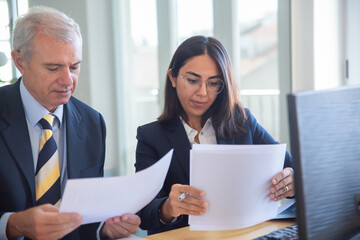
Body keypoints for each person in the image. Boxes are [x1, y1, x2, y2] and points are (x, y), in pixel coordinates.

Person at [0, 6, 140, 240]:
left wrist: (104, 229)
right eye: (53, 68)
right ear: (19, 61)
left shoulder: (92, 123)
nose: (68, 80)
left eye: (74, 66)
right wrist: (13, 225)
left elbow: (88, 215)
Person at [135, 35, 295, 235]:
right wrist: (168, 207)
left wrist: (291, 181)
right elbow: (143, 213)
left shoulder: (242, 121)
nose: (202, 92)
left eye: (213, 83)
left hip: (245, 234)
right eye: (193, 80)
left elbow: (291, 166)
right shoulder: (151, 136)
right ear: (173, 78)